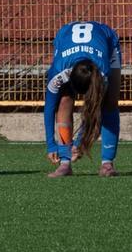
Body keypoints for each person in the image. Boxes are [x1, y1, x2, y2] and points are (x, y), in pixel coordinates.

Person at [43, 21, 123, 178]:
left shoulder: (102, 72)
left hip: (107, 40)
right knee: (64, 100)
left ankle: (107, 164)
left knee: (110, 103)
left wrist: (80, 143)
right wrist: (51, 145)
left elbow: (95, 110)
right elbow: (49, 108)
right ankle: (65, 163)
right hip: (64, 37)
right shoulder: (58, 72)